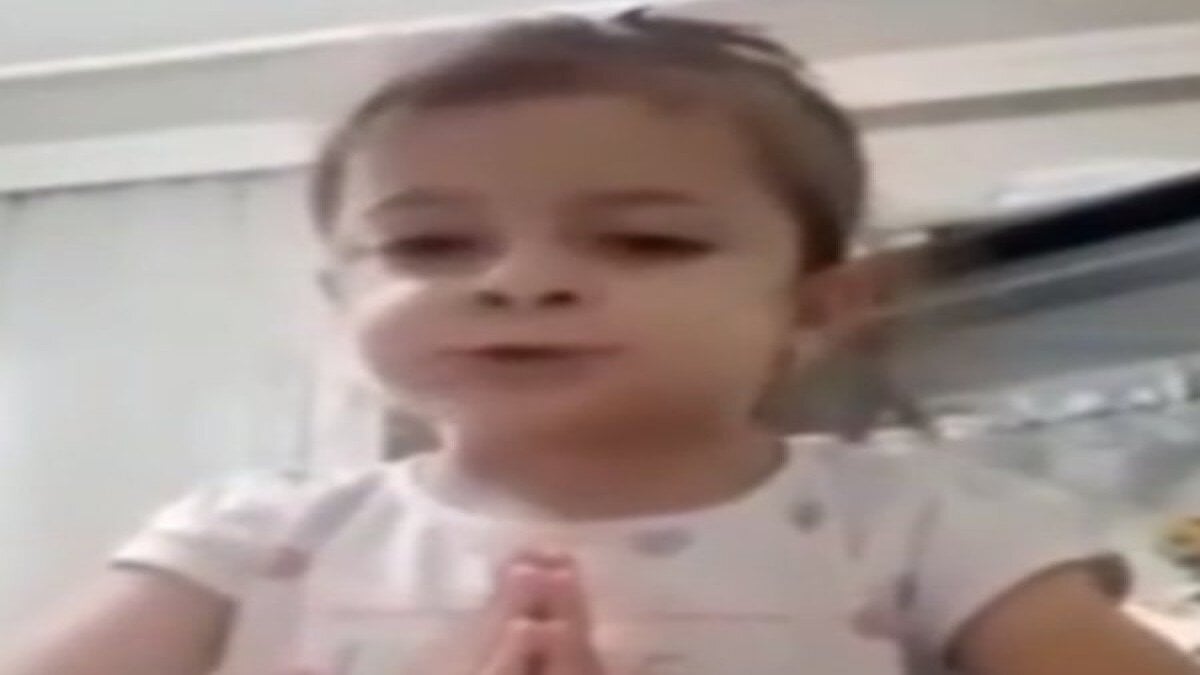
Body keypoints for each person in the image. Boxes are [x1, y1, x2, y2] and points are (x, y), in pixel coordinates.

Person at [6, 9, 1198, 675]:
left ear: (815, 308)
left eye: (643, 241)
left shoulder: (925, 524)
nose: (520, 282)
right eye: (430, 245)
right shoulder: (249, 538)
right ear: (342, 299)